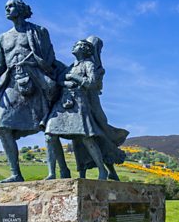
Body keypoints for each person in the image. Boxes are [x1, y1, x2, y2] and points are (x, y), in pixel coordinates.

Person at [0, 0, 67, 183]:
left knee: (50, 129)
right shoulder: (3, 37)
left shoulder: (38, 31)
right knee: (2, 127)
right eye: (5, 7)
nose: (7, 9)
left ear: (21, 9)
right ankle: (15, 173)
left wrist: (34, 64)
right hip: (12, 83)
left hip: (37, 82)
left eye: (10, 6)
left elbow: (49, 58)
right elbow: (2, 66)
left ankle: (62, 170)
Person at [43, 38, 128, 180]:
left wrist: (74, 78)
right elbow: (59, 80)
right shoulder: (70, 66)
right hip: (63, 103)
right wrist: (66, 81)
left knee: (86, 137)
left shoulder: (89, 65)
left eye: (78, 45)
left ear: (85, 49)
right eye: (75, 44)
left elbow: (92, 83)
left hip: (79, 102)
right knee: (49, 135)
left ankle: (102, 170)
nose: (74, 46)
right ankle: (52, 173)